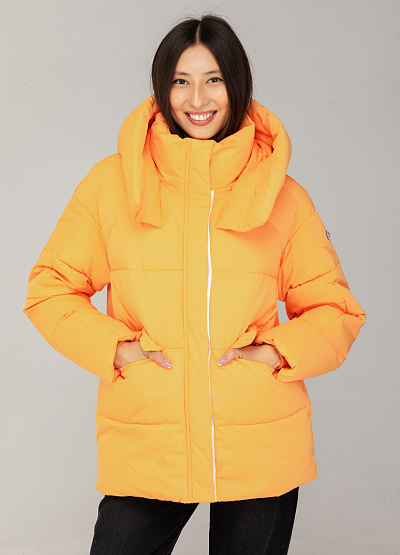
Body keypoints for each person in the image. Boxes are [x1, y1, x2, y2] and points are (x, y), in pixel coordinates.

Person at [23, 14, 366, 555]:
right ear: (163, 88)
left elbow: (335, 310)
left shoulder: (283, 194)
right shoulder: (112, 183)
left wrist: (275, 353)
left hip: (257, 438)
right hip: (150, 433)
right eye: (181, 80)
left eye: (214, 79)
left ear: (237, 84)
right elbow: (50, 289)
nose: (197, 98)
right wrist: (118, 349)